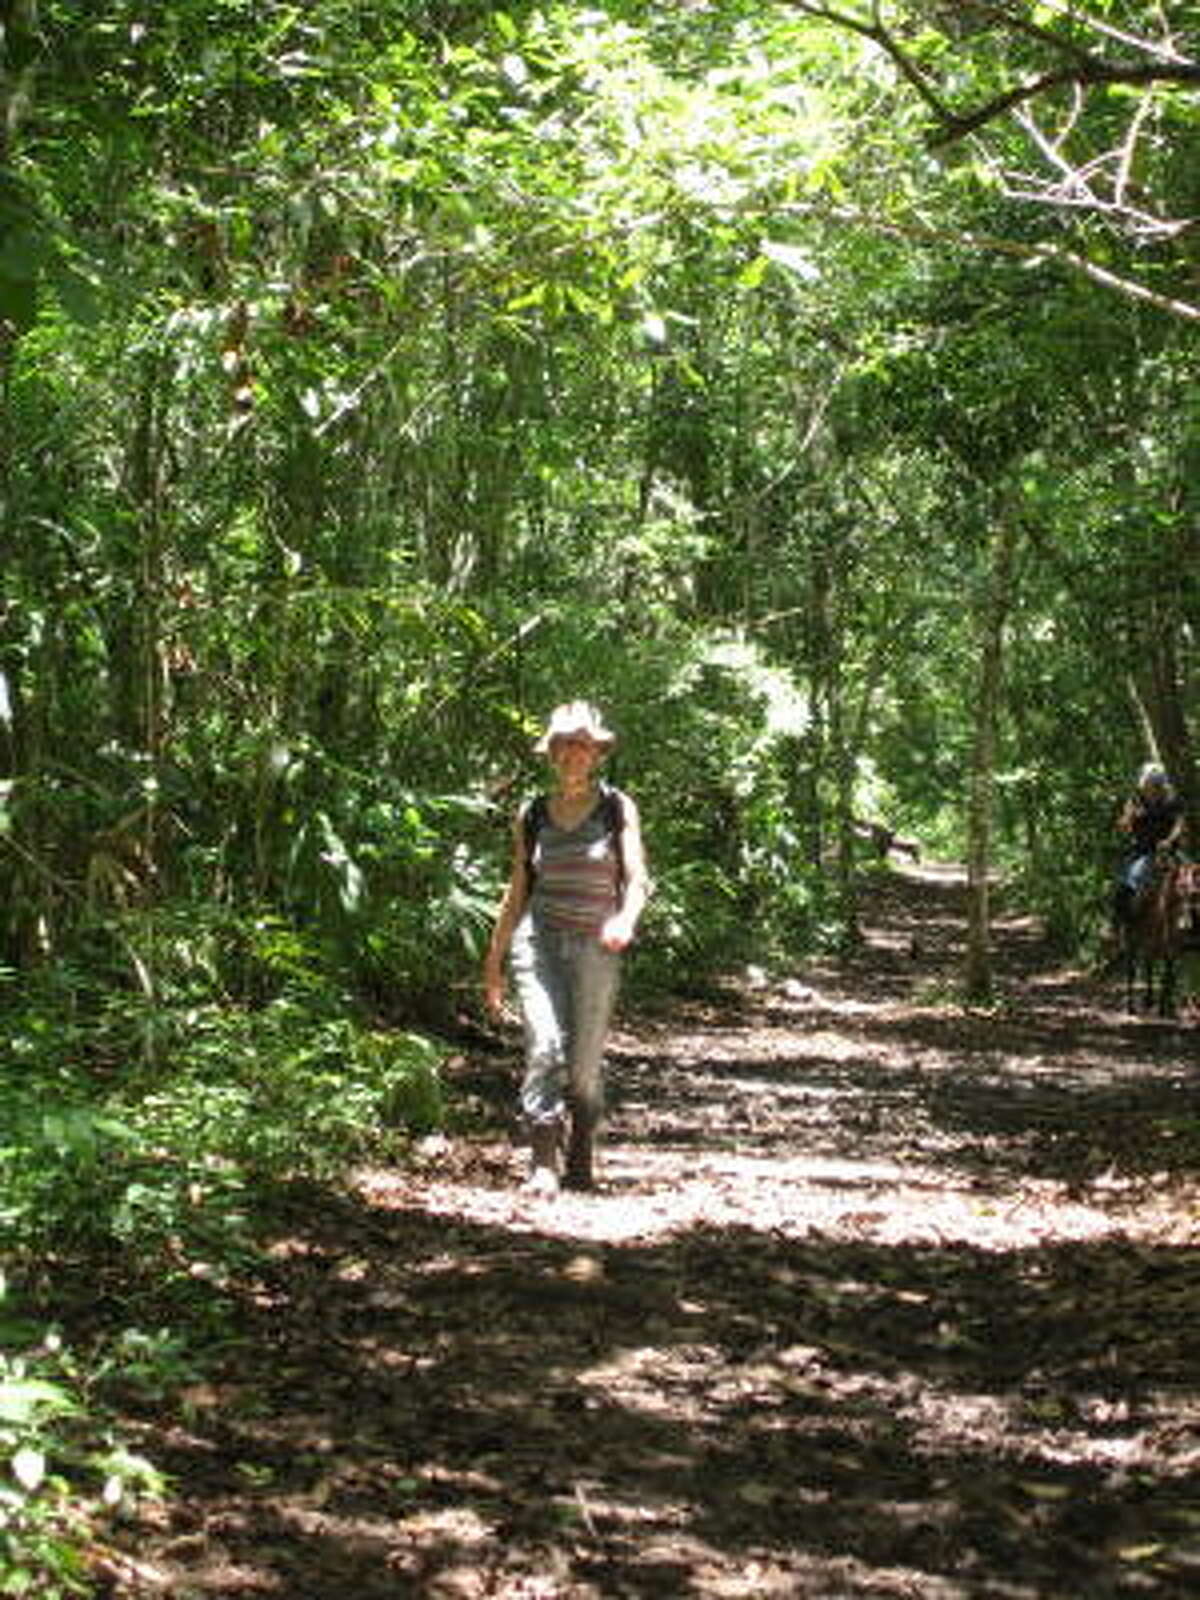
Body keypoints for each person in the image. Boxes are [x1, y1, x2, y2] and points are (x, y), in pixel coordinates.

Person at [483, 700, 648, 1196]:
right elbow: (517, 892)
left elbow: (638, 879)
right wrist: (493, 962)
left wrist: (625, 918)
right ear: (552, 753)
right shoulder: (531, 813)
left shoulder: (617, 808)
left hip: (597, 946)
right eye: (564, 745)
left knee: (582, 1067)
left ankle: (580, 1155)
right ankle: (542, 1163)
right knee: (546, 1047)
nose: (573, 753)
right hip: (539, 942)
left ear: (596, 753)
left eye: (582, 744)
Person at [1114, 761, 1186, 923]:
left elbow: (1179, 825)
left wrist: (1169, 840)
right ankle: (1117, 927)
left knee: (1191, 879)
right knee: (1127, 883)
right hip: (1143, 851)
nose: (1150, 787)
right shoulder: (1135, 801)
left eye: (1154, 783)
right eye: (1148, 783)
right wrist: (1127, 820)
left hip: (1170, 851)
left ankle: (1189, 924)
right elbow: (1124, 823)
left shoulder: (1172, 800)